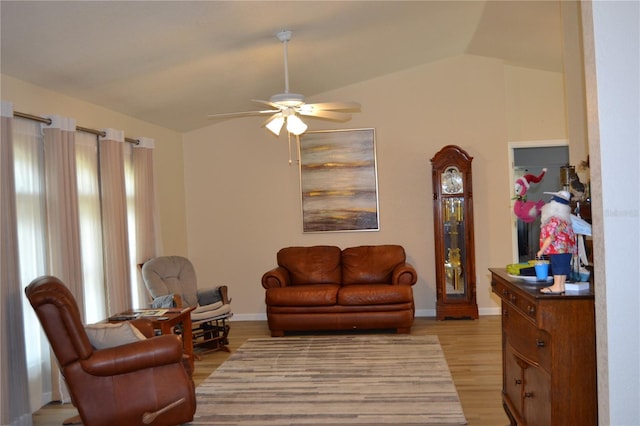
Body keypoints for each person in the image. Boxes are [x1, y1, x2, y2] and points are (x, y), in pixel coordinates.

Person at [536, 190, 576, 294]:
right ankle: (561, 285)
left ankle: (557, 286)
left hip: (557, 250)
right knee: (563, 268)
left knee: (558, 267)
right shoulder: (566, 221)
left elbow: (550, 237)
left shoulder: (553, 220)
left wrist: (541, 251)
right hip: (567, 251)